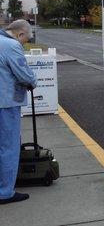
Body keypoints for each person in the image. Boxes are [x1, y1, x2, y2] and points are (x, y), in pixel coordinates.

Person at [0, 20, 37, 204]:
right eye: (26, 39)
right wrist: (33, 80)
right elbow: (24, 74)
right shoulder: (11, 45)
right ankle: (5, 192)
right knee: (8, 147)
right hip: (5, 104)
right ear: (20, 34)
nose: (24, 43)